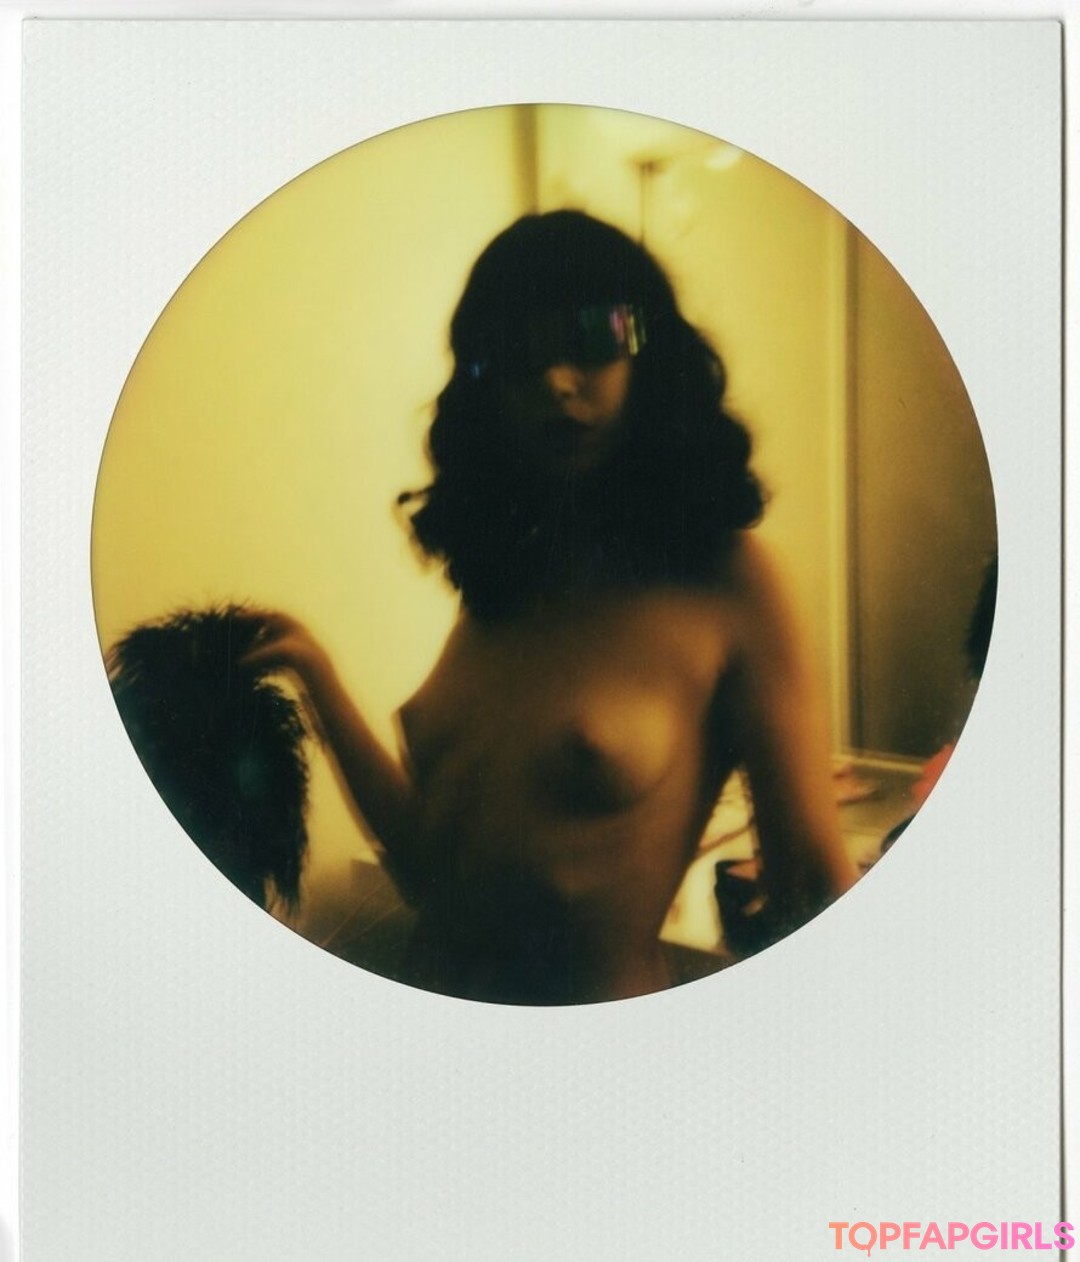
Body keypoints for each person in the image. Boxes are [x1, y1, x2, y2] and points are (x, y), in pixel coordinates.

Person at [243, 210, 856, 1005]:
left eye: (593, 339)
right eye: (518, 355)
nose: (558, 381)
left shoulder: (726, 579)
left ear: (649, 355)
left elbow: (812, 890)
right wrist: (316, 675)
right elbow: (434, 869)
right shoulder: (503, 584)